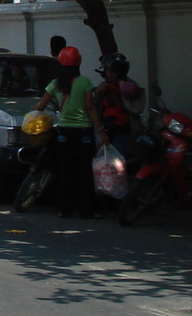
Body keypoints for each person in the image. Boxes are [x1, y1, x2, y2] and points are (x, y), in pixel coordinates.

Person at [33, 46, 106, 218]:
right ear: (78, 64)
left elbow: (41, 106)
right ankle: (86, 211)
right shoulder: (85, 82)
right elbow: (90, 108)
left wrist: (34, 108)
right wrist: (100, 130)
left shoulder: (55, 84)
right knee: (84, 172)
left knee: (65, 171)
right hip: (83, 133)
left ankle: (65, 210)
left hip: (64, 133)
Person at [94, 53, 144, 160]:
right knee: (100, 160)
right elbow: (92, 107)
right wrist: (97, 93)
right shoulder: (103, 86)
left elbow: (138, 107)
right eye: (107, 70)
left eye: (112, 71)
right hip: (104, 129)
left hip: (121, 129)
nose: (109, 74)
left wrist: (125, 91)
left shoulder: (130, 86)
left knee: (118, 159)